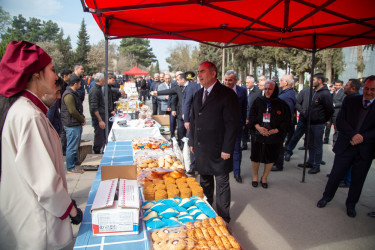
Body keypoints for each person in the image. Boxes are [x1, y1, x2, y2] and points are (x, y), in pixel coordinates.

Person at [0, 41, 82, 249]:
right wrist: (71, 210)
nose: (56, 76)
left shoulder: (26, 110)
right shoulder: (29, 116)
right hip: (39, 225)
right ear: (36, 74)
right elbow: (45, 183)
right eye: (52, 70)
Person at [317, 76, 375, 218]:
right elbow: (341, 120)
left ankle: (351, 205)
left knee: (358, 179)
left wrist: (362, 137)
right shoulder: (351, 100)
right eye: (366, 88)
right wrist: (353, 135)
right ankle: (326, 197)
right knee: (336, 174)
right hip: (346, 145)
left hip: (365, 150)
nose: (368, 92)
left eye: (373, 89)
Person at [188, 61, 239, 223]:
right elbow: (194, 120)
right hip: (202, 147)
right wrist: (192, 141)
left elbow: (232, 124)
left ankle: (224, 218)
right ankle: (207, 212)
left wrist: (227, 148)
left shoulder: (227, 94)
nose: (199, 75)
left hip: (219, 149)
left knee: (222, 183)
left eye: (202, 71)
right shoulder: (197, 94)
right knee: (205, 181)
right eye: (198, 72)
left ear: (213, 73)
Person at [248, 81, 290, 188]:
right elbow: (251, 116)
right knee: (255, 156)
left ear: (274, 90)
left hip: (273, 136)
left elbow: (286, 120)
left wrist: (277, 130)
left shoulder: (281, 104)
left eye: (269, 89)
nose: (267, 91)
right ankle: (255, 176)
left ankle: (264, 177)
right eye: (265, 89)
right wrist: (257, 127)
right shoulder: (258, 101)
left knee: (270, 157)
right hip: (258, 134)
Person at [298, 74, 333, 174]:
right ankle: (310, 161)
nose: (311, 81)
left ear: (320, 80)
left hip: (318, 124)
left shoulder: (325, 94)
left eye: (313, 80)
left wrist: (323, 119)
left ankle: (316, 165)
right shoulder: (315, 92)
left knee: (317, 144)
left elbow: (330, 109)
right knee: (311, 143)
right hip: (310, 122)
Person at [224, 70, 247, 183]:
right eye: (226, 80)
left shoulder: (242, 91)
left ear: (236, 80)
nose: (228, 82)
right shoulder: (219, 91)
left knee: (237, 149)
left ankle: (237, 172)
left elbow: (244, 108)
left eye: (230, 80)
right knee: (222, 147)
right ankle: (223, 169)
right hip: (222, 126)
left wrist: (243, 122)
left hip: (237, 125)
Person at [61, 74, 86, 174]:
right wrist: (81, 119)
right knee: (71, 146)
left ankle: (74, 162)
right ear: (75, 84)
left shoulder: (73, 93)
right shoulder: (69, 95)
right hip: (71, 124)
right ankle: (70, 167)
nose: (81, 85)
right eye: (80, 83)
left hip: (74, 123)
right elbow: (72, 111)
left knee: (75, 145)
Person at [272, 75, 296, 171]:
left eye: (281, 80)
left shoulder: (287, 96)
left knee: (278, 144)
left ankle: (278, 164)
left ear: (286, 83)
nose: (279, 82)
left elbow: (286, 112)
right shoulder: (286, 93)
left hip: (280, 125)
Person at [183, 71, 201, 176]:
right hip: (193, 120)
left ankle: (202, 164)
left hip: (206, 121)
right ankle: (193, 166)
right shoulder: (192, 87)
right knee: (192, 143)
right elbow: (187, 103)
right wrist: (186, 120)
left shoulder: (212, 88)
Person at [242, 75, 262, 150]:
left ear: (253, 83)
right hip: (244, 114)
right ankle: (244, 144)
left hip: (254, 115)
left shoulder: (258, 91)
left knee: (253, 131)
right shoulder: (243, 89)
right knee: (243, 131)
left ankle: (255, 145)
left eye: (248, 83)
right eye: (246, 82)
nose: (246, 84)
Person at [89, 73, 106, 154]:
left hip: (101, 116)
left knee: (101, 136)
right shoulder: (94, 90)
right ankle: (97, 152)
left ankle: (99, 150)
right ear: (101, 80)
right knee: (99, 137)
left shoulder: (98, 88)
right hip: (98, 118)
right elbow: (94, 107)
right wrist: (100, 120)